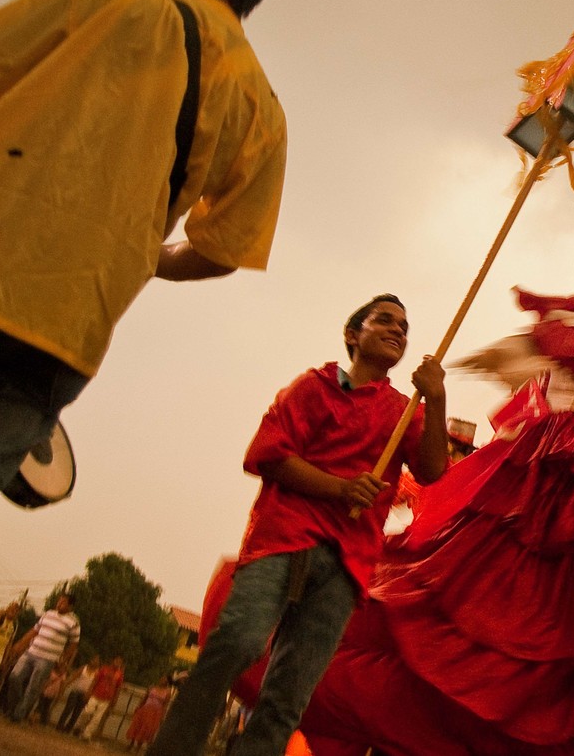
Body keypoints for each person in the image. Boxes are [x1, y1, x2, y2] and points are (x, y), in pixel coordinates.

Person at [0, 0, 287, 565]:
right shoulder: (262, 108)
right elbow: (223, 250)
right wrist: (145, 255)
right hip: (64, 333)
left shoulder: (104, 1)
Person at [298, 246, 574, 755]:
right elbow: (553, 364)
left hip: (567, 449)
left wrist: (479, 361)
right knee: (546, 575)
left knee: (495, 548)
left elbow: (551, 347)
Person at [148, 294, 448, 756]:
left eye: (404, 328)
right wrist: (341, 488)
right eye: (384, 321)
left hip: (349, 561)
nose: (397, 331)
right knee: (238, 642)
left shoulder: (405, 411)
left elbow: (432, 472)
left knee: (290, 694)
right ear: (353, 334)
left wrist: (438, 396)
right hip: (283, 537)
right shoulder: (312, 387)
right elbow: (265, 455)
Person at [3, 593, 78, 722]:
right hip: (31, 651)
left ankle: (17, 715)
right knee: (14, 676)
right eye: (59, 601)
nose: (59, 604)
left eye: (63, 602)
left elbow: (74, 643)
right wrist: (21, 643)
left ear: (70, 606)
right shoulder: (48, 614)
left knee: (33, 686)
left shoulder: (73, 622)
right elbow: (35, 630)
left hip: (48, 658)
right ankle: (15, 707)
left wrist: (64, 659)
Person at [76, 655, 125, 739]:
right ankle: (78, 726)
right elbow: (95, 680)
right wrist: (89, 691)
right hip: (96, 694)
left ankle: (86, 734)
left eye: (120, 662)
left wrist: (115, 700)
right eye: (117, 661)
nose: (117, 663)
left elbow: (118, 688)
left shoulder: (119, 674)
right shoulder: (104, 669)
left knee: (97, 718)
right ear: (113, 660)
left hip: (107, 699)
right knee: (87, 711)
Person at [128, 675, 174, 751]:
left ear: (167, 682)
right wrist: (139, 706)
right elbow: (145, 697)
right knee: (137, 725)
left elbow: (165, 705)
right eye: (162, 678)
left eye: (164, 679)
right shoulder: (152, 687)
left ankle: (138, 747)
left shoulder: (167, 693)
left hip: (155, 712)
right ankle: (131, 744)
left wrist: (162, 716)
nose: (162, 680)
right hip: (145, 709)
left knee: (146, 728)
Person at [56, 655, 97, 731]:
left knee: (77, 712)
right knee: (68, 709)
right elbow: (73, 677)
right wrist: (65, 685)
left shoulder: (97, 673)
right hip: (76, 691)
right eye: (93, 659)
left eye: (96, 660)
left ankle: (68, 728)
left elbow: (95, 685)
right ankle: (59, 725)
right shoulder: (84, 668)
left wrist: (90, 694)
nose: (94, 662)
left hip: (85, 693)